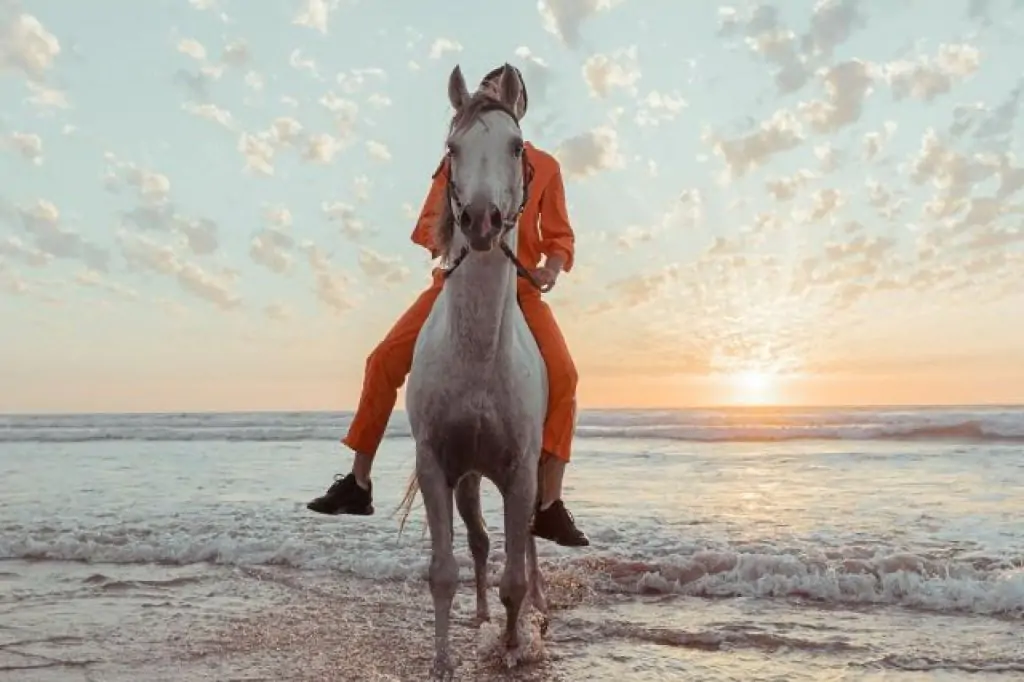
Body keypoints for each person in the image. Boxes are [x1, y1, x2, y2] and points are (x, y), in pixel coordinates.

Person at [307, 64, 589, 547]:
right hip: (457, 283)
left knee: (564, 376)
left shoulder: (544, 165)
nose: (487, 96)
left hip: (519, 288)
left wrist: (551, 268)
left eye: (497, 92)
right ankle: (358, 481)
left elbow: (559, 237)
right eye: (482, 90)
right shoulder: (456, 158)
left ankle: (549, 503)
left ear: (518, 105)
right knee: (382, 361)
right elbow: (427, 231)